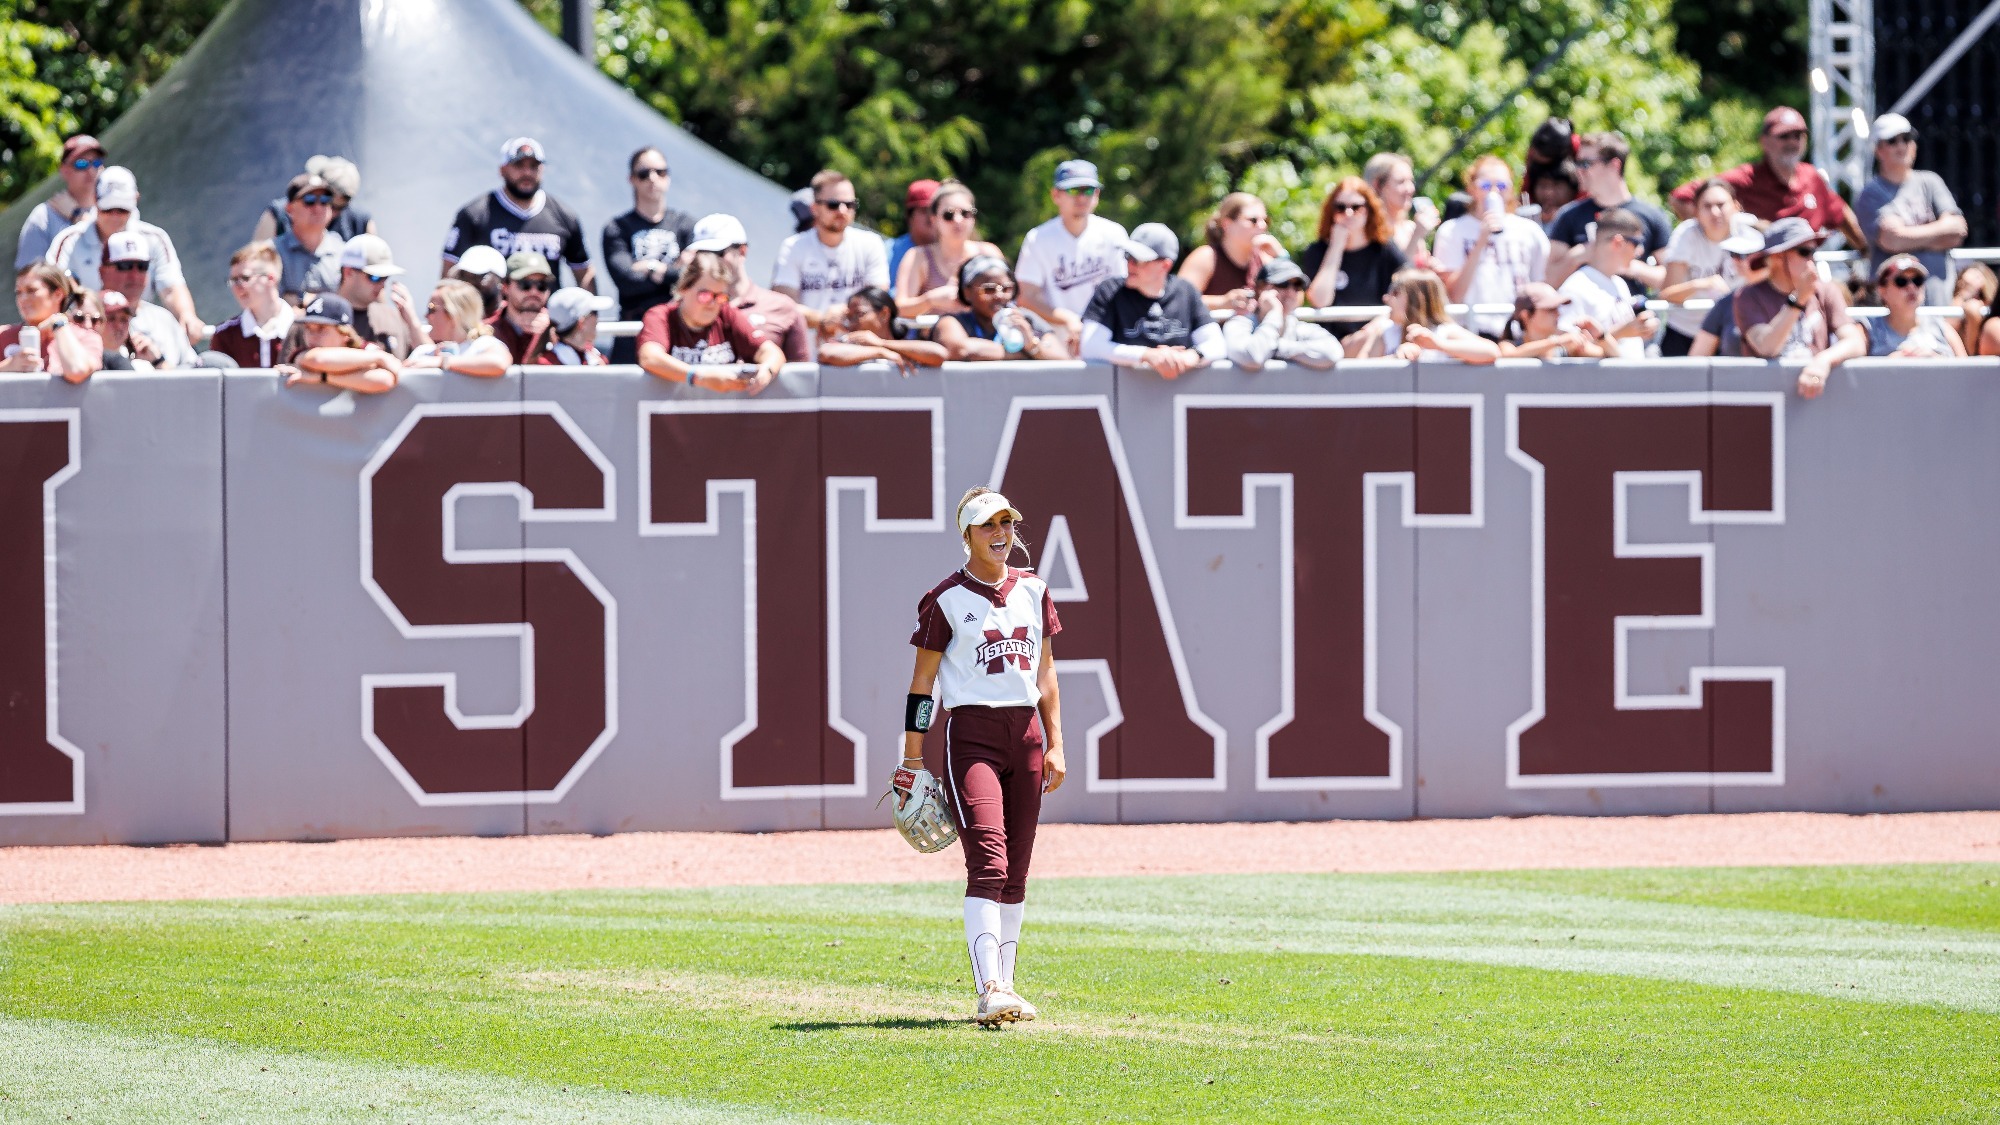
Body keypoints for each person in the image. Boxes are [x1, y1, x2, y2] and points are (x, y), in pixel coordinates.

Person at [897, 486, 1066, 1026]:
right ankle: (989, 987)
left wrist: (1057, 742)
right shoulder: (946, 597)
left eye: (1007, 524)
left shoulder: (1034, 589)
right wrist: (911, 759)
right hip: (970, 733)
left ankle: (1007, 988)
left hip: (1026, 735)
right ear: (966, 535)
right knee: (988, 862)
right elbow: (922, 686)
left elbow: (1045, 674)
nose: (1001, 534)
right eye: (988, 525)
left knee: (1016, 869)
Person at [44, 166, 203, 344]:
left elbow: (171, 286)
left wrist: (187, 316)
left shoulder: (155, 238)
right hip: (85, 332)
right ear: (95, 201)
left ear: (136, 201)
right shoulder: (69, 241)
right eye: (108, 209)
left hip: (142, 331)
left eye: (123, 210)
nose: (115, 216)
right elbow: (51, 291)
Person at [1733, 218, 1868, 397]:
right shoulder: (1748, 296)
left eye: (1814, 251)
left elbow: (1855, 342)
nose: (1812, 258)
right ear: (1777, 257)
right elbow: (1766, 347)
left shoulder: (1826, 290)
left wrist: (1823, 361)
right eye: (1805, 251)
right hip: (1768, 401)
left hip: (1813, 395)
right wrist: (1798, 301)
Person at [441, 137, 594, 289]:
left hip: (546, 312)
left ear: (542, 169)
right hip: (491, 311)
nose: (527, 172)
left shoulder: (564, 216)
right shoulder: (474, 214)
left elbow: (584, 272)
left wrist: (589, 311)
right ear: (503, 169)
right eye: (518, 165)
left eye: (534, 166)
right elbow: (449, 271)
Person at [1078, 223, 1226, 378]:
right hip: (1125, 394)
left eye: (1139, 259)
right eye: (1128, 256)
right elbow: (1090, 346)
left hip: (1179, 394)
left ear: (1165, 265)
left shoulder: (1185, 291)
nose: (1129, 265)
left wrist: (1190, 357)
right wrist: (1147, 355)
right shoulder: (1110, 290)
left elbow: (1217, 344)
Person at [1014, 160, 1128, 356]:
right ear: (1056, 195)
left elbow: (1125, 288)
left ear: (1097, 195)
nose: (1082, 197)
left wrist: (1093, 324)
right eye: (1074, 190)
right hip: (1057, 344)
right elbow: (1026, 296)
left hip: (1106, 337)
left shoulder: (1114, 234)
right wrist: (1069, 319)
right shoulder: (1039, 238)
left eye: (1089, 190)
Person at [1431, 155, 1548, 339]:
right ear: (1471, 189)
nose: (1494, 192)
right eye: (1485, 186)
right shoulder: (1452, 231)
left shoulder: (1530, 232)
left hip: (1518, 332)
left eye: (1502, 186)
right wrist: (1481, 241)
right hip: (1470, 331)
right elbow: (1453, 295)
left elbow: (1540, 286)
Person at [1855, 113, 1966, 306]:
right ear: (1878, 150)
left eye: (1906, 138)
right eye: (1892, 140)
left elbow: (1958, 231)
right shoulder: (1870, 194)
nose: (1901, 145)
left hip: (1938, 303)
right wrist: (1939, 233)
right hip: (1893, 312)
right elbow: (1891, 239)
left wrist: (1908, 237)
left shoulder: (1930, 181)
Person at [636, 250, 786, 392]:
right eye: (705, 295)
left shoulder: (726, 314)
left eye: (720, 297)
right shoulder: (661, 316)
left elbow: (771, 352)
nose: (713, 304)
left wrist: (767, 371)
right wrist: (700, 377)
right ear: (683, 289)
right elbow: (650, 357)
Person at [1719, 107, 1868, 249]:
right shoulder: (1745, 178)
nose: (1792, 142)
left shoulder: (1812, 178)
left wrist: (1866, 250)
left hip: (1804, 270)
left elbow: (1840, 213)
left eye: (1797, 136)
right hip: (1759, 271)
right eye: (1784, 136)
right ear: (1764, 142)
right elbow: (1700, 196)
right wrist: (1739, 220)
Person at [602, 146, 697, 363]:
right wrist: (673, 270)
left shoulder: (685, 224)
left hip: (679, 328)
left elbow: (694, 278)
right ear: (632, 179)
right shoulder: (617, 228)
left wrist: (650, 268)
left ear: (668, 177)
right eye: (644, 174)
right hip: (634, 330)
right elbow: (627, 281)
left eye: (660, 172)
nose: (652, 179)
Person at [1545, 132, 1674, 290]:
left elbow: (1673, 281)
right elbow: (1548, 281)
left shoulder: (1652, 215)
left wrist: (1627, 263)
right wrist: (1581, 254)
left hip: (1632, 312)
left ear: (1614, 165)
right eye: (1576, 163)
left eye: (1585, 164)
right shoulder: (1568, 216)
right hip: (1583, 312)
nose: (1578, 170)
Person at [771, 169, 889, 335]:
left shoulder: (871, 244)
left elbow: (878, 301)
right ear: (814, 208)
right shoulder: (793, 247)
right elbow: (782, 305)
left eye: (849, 204)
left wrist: (840, 313)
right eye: (833, 204)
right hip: (805, 356)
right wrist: (822, 319)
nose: (842, 210)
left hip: (858, 352)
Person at [686, 213, 812, 364]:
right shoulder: (685, 306)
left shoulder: (783, 308)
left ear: (742, 251)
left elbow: (801, 378)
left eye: (717, 253)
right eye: (702, 254)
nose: (710, 261)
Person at [1658, 178, 1761, 355]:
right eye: (1707, 206)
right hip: (1686, 331)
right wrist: (1702, 284)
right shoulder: (1686, 235)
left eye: (1721, 205)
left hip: (1732, 329)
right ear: (1695, 211)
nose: (1715, 212)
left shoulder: (1750, 235)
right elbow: (1668, 294)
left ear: (1736, 206)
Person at [1300, 176, 1408, 339]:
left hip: (1378, 336)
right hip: (1331, 341)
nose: (1348, 213)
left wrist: (1376, 325)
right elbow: (1320, 300)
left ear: (1369, 210)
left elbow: (1409, 291)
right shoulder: (1317, 251)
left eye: (1356, 207)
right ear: (1331, 212)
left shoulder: (1385, 249)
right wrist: (1336, 247)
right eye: (1340, 208)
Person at [1554, 208, 1661, 359]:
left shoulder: (1619, 283)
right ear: (1618, 242)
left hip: (1629, 378)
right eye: (1636, 243)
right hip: (1600, 381)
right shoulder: (1575, 288)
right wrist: (1621, 332)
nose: (1640, 251)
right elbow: (1568, 350)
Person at [895, 180, 1005, 317]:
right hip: (932, 337)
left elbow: (1009, 298)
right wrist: (930, 301)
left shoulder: (989, 253)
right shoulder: (917, 257)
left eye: (965, 213)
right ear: (934, 219)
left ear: (974, 217)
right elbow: (899, 308)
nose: (958, 220)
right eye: (949, 215)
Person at [1346, 267, 1498, 364]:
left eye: (1396, 293)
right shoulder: (1384, 331)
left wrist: (1438, 345)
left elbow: (1491, 352)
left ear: (1417, 299)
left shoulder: (1443, 331)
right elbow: (1362, 370)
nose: (1386, 298)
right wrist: (1395, 359)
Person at [97, 231, 196, 369]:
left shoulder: (164, 319)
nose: (135, 275)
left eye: (142, 266)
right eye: (125, 266)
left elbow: (193, 376)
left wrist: (158, 362)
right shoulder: (86, 318)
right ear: (102, 271)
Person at [932, 257, 1062, 362]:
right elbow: (960, 349)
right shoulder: (952, 321)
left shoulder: (1026, 319)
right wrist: (1024, 353)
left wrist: (1032, 346)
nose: (999, 296)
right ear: (967, 292)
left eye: (1006, 289)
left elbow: (1063, 358)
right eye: (989, 289)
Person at [1223, 258, 1341, 369]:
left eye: (1297, 286)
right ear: (1261, 288)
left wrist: (1277, 348)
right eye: (1283, 284)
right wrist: (1274, 313)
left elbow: (1333, 352)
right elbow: (1252, 357)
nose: (1290, 292)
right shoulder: (1240, 323)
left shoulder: (1299, 328)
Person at [1177, 192, 1283, 314]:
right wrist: (1222, 302)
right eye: (1253, 220)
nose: (1262, 226)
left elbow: (1295, 298)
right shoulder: (1206, 257)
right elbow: (1179, 299)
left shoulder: (1265, 260)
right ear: (1227, 224)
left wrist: (1281, 257)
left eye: (1265, 220)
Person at [275, 294, 401, 393]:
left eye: (321, 329)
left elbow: (384, 380)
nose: (312, 336)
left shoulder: (365, 349)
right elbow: (319, 360)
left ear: (345, 334)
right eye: (308, 328)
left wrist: (323, 378)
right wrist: (379, 357)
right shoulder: (303, 353)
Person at [1, 263, 103, 381]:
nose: (23, 298)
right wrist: (8, 367)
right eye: (18, 292)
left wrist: (59, 326)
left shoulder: (85, 338)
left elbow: (77, 370)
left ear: (57, 294)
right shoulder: (3, 335)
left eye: (31, 290)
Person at [15, 135, 102, 269]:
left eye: (96, 163)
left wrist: (77, 215)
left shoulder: (112, 209)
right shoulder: (43, 217)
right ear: (64, 170)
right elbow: (30, 277)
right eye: (81, 164)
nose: (91, 170)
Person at [817, 287, 947, 373]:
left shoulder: (906, 348)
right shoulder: (848, 345)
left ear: (884, 314)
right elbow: (826, 353)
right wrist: (878, 352)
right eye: (849, 318)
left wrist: (881, 343)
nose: (852, 324)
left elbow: (939, 354)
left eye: (858, 315)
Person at [208, 242, 296, 368]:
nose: (237, 287)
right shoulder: (225, 335)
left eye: (245, 278)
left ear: (271, 279)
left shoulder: (303, 330)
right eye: (233, 280)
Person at [252, 155, 375, 243]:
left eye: (338, 207)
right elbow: (258, 261)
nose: (322, 209)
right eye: (315, 200)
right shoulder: (277, 215)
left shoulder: (360, 222)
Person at [335, 234, 422, 358]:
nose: (382, 284)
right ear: (348, 272)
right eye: (375, 277)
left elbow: (428, 357)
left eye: (386, 277)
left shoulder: (394, 316)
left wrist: (413, 322)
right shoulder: (321, 318)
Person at [404, 279, 512, 377]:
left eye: (431, 309)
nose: (426, 316)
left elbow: (500, 362)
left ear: (453, 315)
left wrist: (443, 362)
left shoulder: (481, 345)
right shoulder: (423, 352)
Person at [1687, 232, 1769, 357]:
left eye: (1742, 255)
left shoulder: (1795, 298)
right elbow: (1696, 359)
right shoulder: (1727, 302)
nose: (1736, 260)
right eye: (1733, 254)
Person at [1867, 254, 1964, 358]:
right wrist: (1890, 364)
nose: (1911, 287)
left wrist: (1936, 361)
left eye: (1917, 281)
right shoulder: (1869, 331)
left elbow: (1966, 370)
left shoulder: (1942, 327)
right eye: (1901, 281)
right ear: (1882, 290)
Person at [270, 173, 345, 301]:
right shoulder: (271, 253)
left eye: (325, 200)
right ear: (289, 209)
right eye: (309, 200)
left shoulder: (343, 251)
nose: (318, 207)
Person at [1363, 152, 1437, 268]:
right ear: (1378, 185)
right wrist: (1416, 237)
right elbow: (1392, 277)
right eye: (1401, 182)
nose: (1411, 189)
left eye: (1411, 181)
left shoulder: (1410, 227)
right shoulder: (1368, 231)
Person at [1499, 282, 1603, 359]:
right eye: (1550, 309)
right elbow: (1509, 355)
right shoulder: (1509, 345)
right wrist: (1557, 342)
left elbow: (1608, 355)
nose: (1558, 313)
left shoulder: (1568, 344)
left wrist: (1602, 335)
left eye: (1557, 308)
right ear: (1525, 315)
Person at [487, 251, 554, 364]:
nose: (534, 291)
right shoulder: (487, 330)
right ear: (505, 287)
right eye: (525, 284)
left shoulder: (561, 330)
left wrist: (549, 334)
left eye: (541, 285)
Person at [534, 286, 615, 366]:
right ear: (582, 322)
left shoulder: (595, 357)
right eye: (594, 312)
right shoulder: (548, 364)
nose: (597, 318)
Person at [887, 179, 940, 283]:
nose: (931, 217)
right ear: (909, 215)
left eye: (936, 210)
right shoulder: (887, 252)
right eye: (925, 210)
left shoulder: (955, 253)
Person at [447, 245, 508, 317]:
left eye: (479, 276)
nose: (470, 283)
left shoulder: (515, 319)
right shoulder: (450, 318)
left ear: (501, 280)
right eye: (463, 276)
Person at [1951, 262, 1996, 357]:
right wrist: (1963, 295)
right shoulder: (1957, 303)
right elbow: (1948, 327)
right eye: (1962, 284)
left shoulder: (1990, 310)